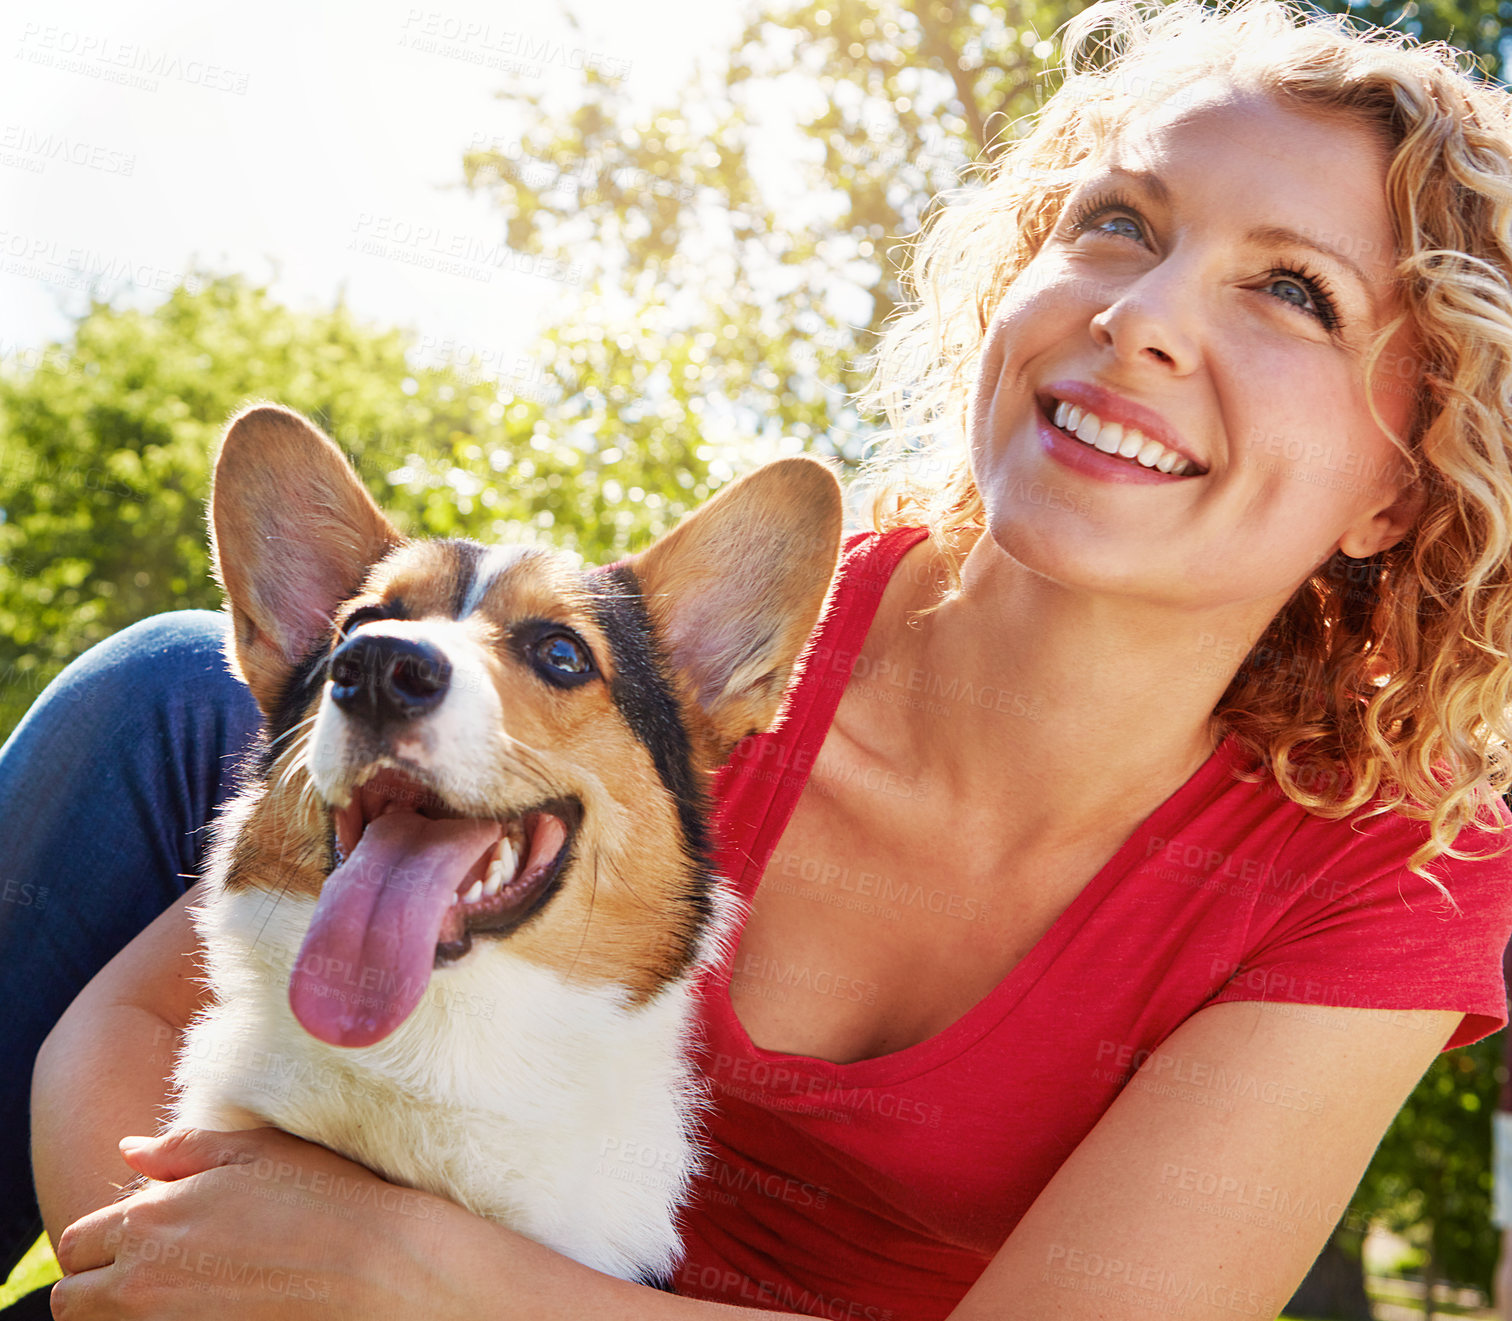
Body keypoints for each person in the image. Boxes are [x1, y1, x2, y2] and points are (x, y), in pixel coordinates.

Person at [12, 0, 1512, 1315]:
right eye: (1119, 222)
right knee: (164, 693)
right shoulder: (699, 654)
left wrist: (420, 1284)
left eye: (1294, 291)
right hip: (431, 1213)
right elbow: (138, 1028)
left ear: (1404, 478)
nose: (1138, 320)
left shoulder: (1393, 870)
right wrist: (192, 1273)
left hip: (480, 1278)